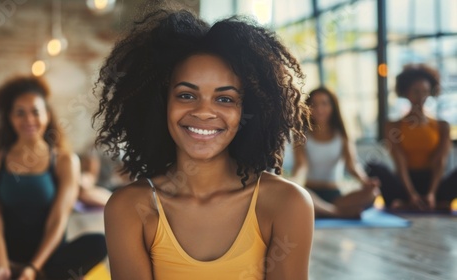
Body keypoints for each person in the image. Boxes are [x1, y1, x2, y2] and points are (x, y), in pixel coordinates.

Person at [98, 4, 314, 280]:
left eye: (225, 99)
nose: (202, 111)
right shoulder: (128, 208)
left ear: (248, 110)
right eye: (186, 95)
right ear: (160, 103)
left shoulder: (287, 204)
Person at [0, 76, 107, 280]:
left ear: (47, 115)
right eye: (20, 112)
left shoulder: (65, 161)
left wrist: (33, 268)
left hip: (48, 259)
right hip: (2, 257)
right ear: (10, 118)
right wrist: (2, 266)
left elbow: (58, 220)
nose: (28, 119)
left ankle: (39, 275)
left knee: (100, 242)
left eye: (35, 112)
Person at [368, 64, 457, 211]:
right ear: (406, 92)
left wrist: (431, 193)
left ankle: (430, 201)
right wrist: (412, 194)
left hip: (433, 181)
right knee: (373, 166)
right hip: (405, 182)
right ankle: (410, 201)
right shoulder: (393, 126)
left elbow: (440, 161)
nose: (421, 96)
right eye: (416, 91)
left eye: (425, 91)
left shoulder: (442, 126)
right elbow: (400, 162)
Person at [291, 88, 380, 218]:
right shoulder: (301, 135)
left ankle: (325, 211)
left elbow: (352, 165)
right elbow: (301, 165)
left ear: (333, 107)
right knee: (296, 194)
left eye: (324, 103)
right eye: (314, 104)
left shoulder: (342, 136)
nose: (319, 109)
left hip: (336, 196)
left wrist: (365, 181)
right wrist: (294, 182)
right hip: (311, 192)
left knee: (373, 193)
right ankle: (337, 213)